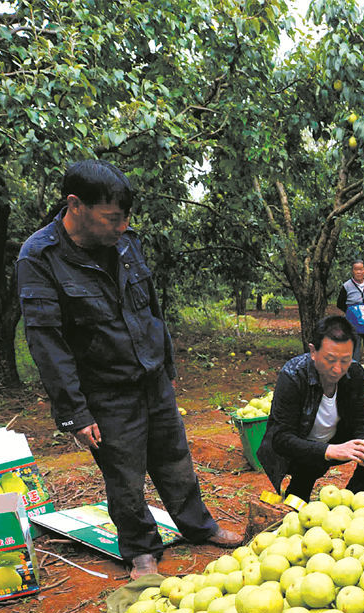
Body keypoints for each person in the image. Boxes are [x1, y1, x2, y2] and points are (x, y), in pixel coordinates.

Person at [18, 159, 238, 580]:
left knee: (175, 457)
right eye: (112, 218)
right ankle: (140, 549)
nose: (121, 227)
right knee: (124, 472)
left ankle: (198, 526)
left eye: (124, 219)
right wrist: (75, 412)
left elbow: (152, 307)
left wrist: (166, 362)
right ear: (75, 205)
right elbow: (47, 343)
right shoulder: (41, 257)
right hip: (105, 388)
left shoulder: (125, 242)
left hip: (151, 375)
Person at [258, 315, 364, 501]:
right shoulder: (293, 375)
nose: (338, 369)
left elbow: (362, 421)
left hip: (335, 439)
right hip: (300, 449)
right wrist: (328, 450)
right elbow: (281, 439)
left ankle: (353, 500)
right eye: (330, 360)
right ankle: (298, 489)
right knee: (297, 503)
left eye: (345, 360)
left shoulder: (354, 373)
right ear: (313, 351)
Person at [336, 259, 364, 367]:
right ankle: (354, 372)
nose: (358, 272)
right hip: (353, 322)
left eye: (360, 269)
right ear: (352, 271)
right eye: (356, 269)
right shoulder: (346, 286)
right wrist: (353, 312)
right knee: (354, 350)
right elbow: (340, 303)